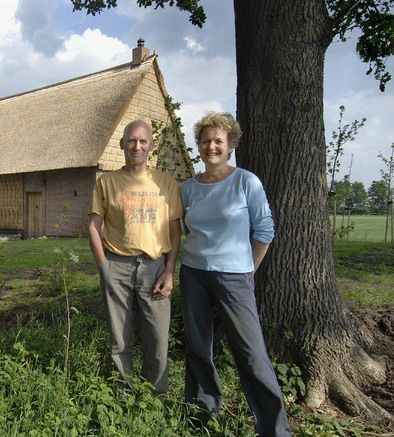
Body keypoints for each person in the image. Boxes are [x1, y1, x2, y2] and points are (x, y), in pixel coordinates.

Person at [179, 112, 291, 436]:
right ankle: (201, 417)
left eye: (218, 141)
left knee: (251, 353)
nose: (211, 146)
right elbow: (185, 231)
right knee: (198, 347)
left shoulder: (246, 181)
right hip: (193, 274)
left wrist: (249, 269)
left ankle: (274, 429)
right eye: (205, 140)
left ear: (229, 146)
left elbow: (265, 230)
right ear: (198, 146)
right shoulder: (188, 188)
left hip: (235, 278)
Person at [88, 119, 182, 395]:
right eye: (131, 140)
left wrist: (169, 271)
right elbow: (94, 226)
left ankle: (156, 398)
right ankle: (124, 396)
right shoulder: (107, 182)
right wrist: (103, 266)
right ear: (122, 145)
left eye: (143, 141)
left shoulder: (165, 183)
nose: (137, 146)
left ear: (152, 145)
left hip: (155, 268)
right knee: (119, 339)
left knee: (157, 339)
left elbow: (175, 232)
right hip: (117, 264)